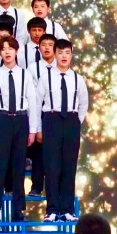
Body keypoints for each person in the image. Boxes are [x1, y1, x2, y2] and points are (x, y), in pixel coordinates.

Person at [0, 37, 39, 222]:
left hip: (21, 119)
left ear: (17, 51)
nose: (7, 52)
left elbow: (32, 102)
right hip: (1, 120)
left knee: (18, 167)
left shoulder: (25, 74)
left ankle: (18, 211)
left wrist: (33, 130)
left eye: (10, 48)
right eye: (3, 49)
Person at [38, 39, 88, 222]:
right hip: (51, 120)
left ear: (71, 55)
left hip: (71, 121)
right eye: (60, 52)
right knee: (51, 167)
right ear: (55, 54)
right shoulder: (46, 77)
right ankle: (52, 210)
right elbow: (37, 103)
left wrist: (76, 121)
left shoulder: (78, 79)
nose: (64, 56)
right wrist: (38, 128)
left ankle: (67, 210)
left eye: (67, 53)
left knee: (69, 166)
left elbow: (83, 104)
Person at [25, 33, 57, 197]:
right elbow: (32, 96)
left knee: (56, 154)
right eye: (43, 45)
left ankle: (55, 190)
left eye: (50, 45)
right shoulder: (32, 68)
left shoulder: (63, 68)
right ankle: (36, 187)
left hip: (57, 115)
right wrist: (36, 126)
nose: (47, 48)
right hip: (39, 111)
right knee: (39, 151)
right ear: (39, 48)